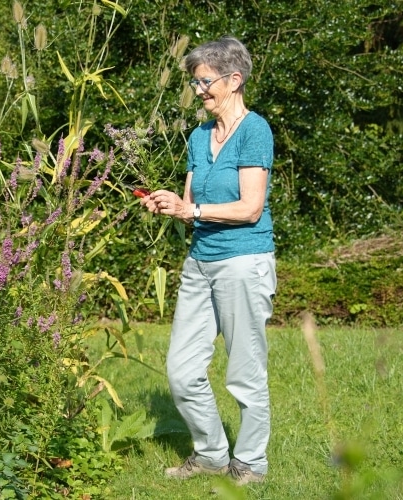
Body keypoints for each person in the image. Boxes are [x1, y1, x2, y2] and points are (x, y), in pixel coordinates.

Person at [141, 36, 276, 486]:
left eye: (205, 81)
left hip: (244, 262)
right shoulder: (199, 136)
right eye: (194, 82)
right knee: (181, 371)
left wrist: (193, 211)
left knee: (244, 371)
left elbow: (250, 208)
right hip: (200, 261)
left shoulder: (255, 131)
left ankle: (252, 464)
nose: (198, 90)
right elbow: (189, 203)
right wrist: (168, 204)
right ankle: (214, 453)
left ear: (234, 80)